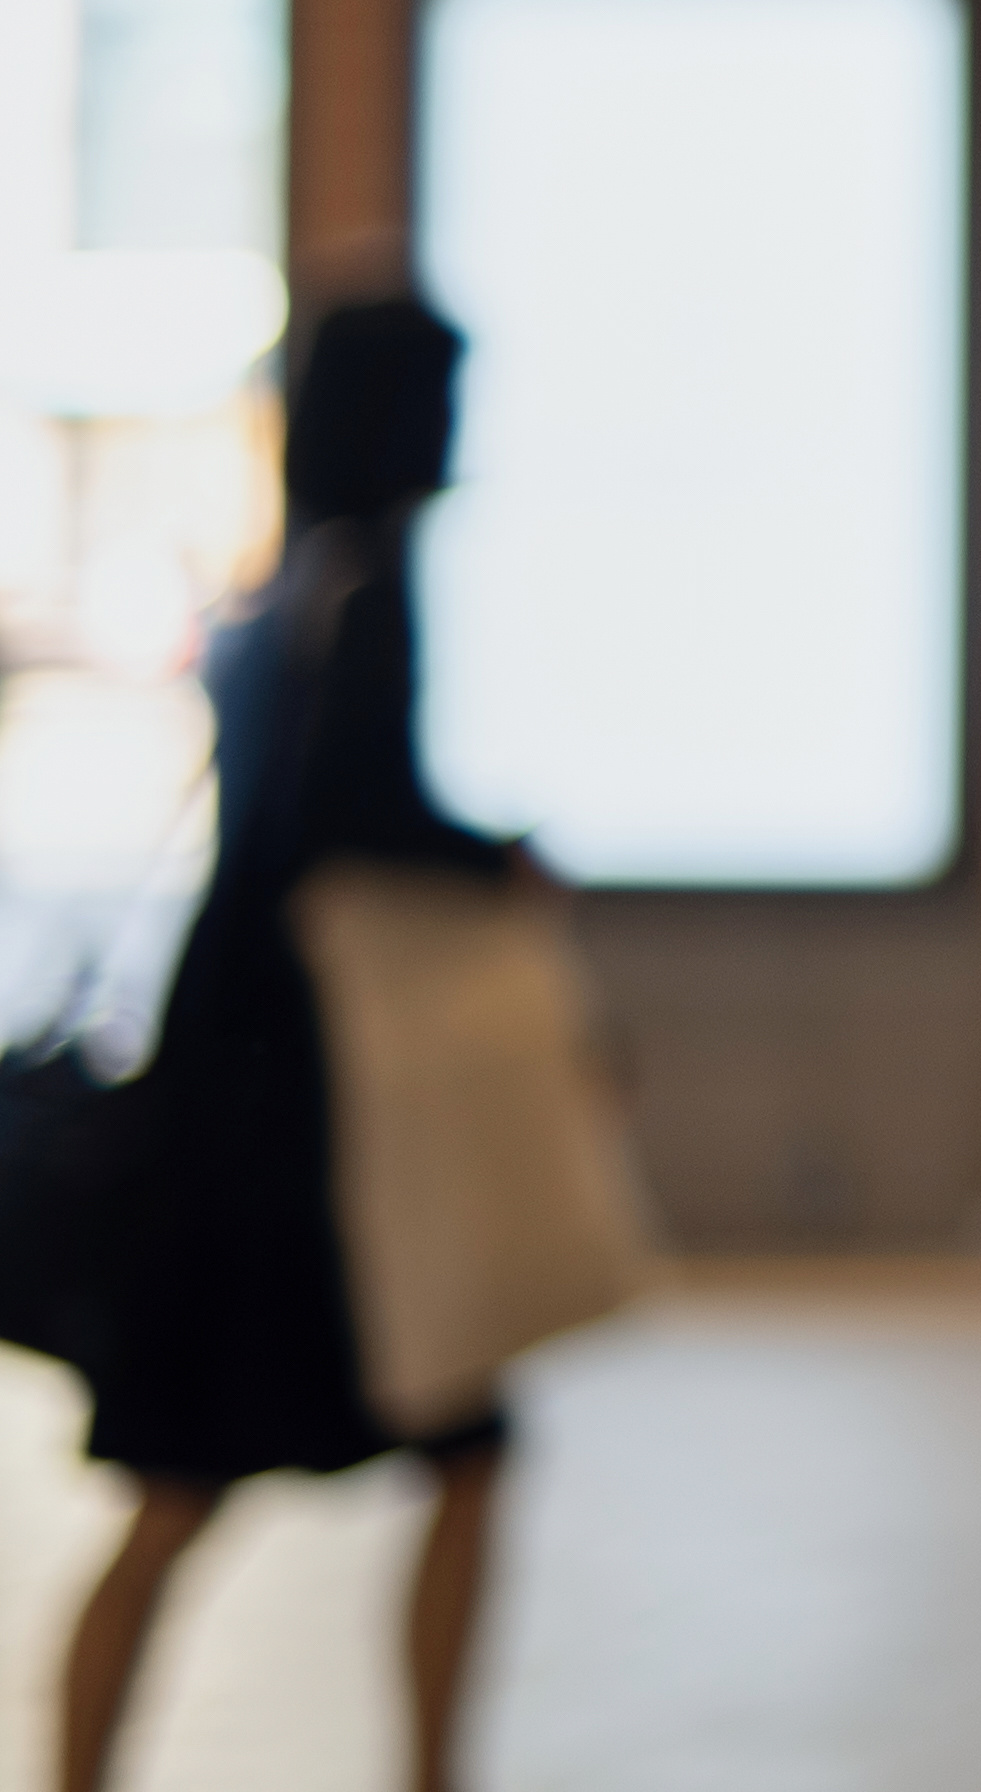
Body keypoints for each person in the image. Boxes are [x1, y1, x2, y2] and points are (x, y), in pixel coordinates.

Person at [60, 292, 528, 1792]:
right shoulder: (371, 589)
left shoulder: (276, 598)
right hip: (308, 1147)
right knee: (452, 1455)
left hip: (228, 1113)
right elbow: (354, 827)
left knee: (179, 1492)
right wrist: (503, 863)